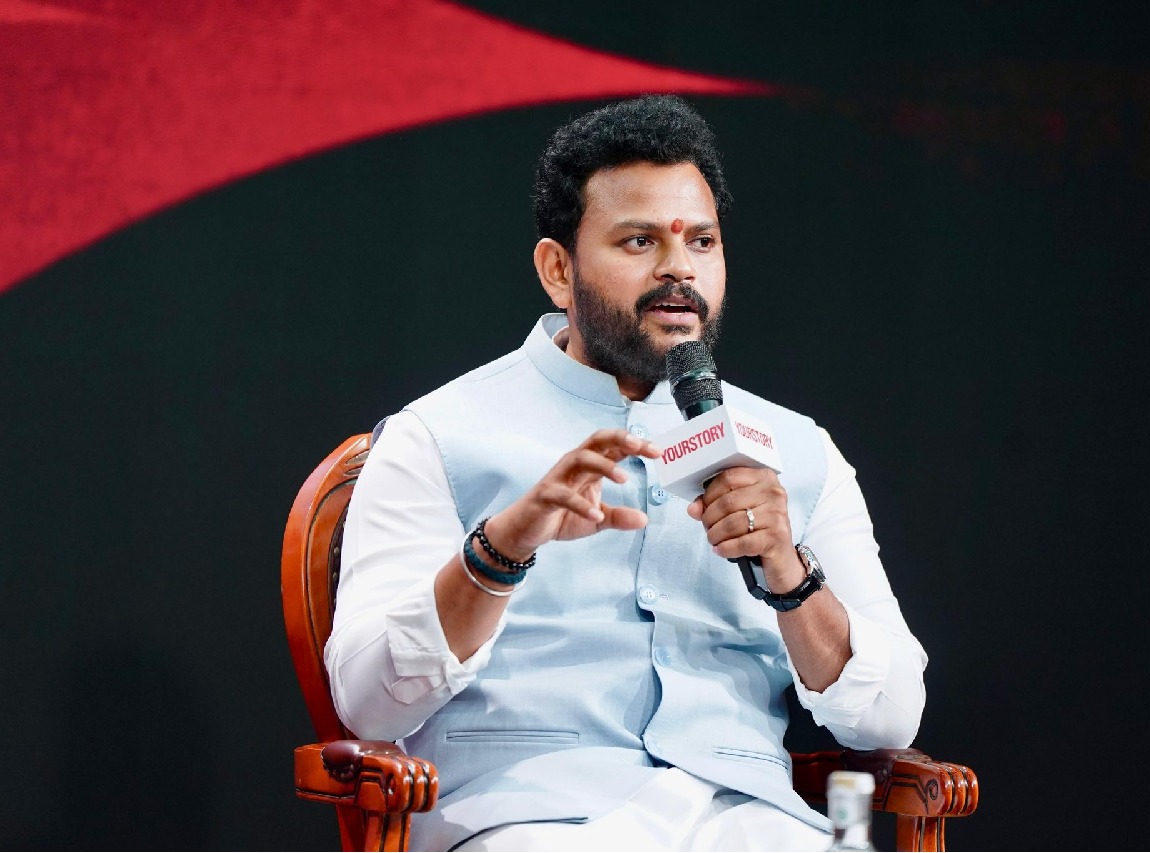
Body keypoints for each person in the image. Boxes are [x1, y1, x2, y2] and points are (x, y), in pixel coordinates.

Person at [325, 95, 927, 852]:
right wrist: (499, 552)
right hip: (529, 820)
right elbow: (368, 704)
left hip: (749, 819)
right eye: (639, 240)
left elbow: (891, 715)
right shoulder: (437, 436)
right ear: (558, 269)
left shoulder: (798, 451)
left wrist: (789, 573)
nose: (679, 267)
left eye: (701, 241)